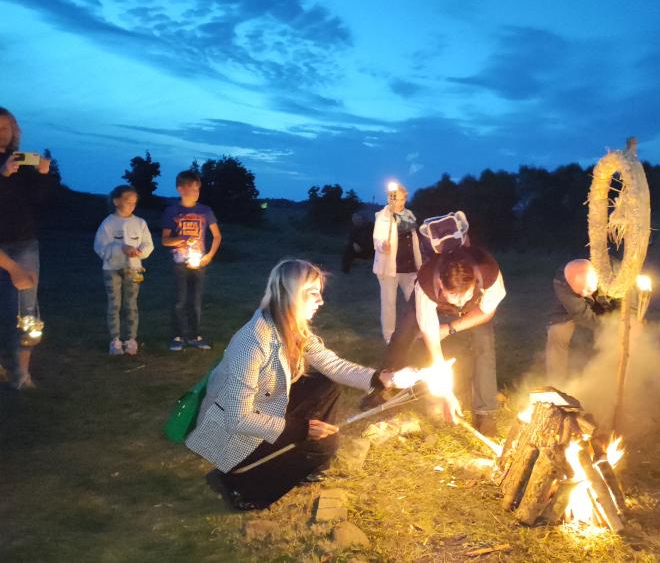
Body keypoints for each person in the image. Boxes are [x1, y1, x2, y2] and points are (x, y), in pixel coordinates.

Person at [185, 259, 408, 510]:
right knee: (324, 446)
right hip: (230, 431)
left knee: (326, 385)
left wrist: (379, 378)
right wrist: (300, 429)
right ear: (291, 294)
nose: (321, 301)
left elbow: (331, 364)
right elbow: (236, 418)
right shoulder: (252, 342)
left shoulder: (291, 327)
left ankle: (306, 463)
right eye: (313, 293)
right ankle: (241, 487)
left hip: (262, 407)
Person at [382, 245, 506, 435]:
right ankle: (383, 385)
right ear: (440, 282)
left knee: (484, 342)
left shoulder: (489, 272)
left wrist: (450, 328)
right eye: (453, 296)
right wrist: (446, 392)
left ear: (474, 280)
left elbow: (486, 312)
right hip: (433, 300)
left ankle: (485, 412)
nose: (458, 303)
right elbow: (434, 348)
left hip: (475, 309)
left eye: (464, 295)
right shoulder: (426, 283)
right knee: (403, 334)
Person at [0, 107, 55, 390]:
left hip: (24, 243)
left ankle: (22, 374)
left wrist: (44, 174)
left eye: (6, 128)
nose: (2, 133)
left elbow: (39, 201)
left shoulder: (21, 164)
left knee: (27, 309)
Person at [161, 170, 222, 351]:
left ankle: (195, 336)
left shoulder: (205, 211)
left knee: (195, 301)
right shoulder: (172, 211)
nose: (195, 193)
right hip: (179, 262)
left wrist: (209, 256)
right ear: (180, 189)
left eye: (197, 190)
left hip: (198, 263)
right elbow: (165, 240)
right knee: (180, 300)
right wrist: (181, 239)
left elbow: (217, 236)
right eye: (191, 190)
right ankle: (177, 336)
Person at [93, 185, 154, 356]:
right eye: (128, 202)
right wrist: (120, 248)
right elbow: (100, 247)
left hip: (134, 269)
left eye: (134, 203)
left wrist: (139, 252)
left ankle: (131, 339)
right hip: (111, 269)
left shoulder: (140, 223)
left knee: (131, 303)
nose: (131, 205)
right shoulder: (108, 223)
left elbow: (148, 243)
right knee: (114, 304)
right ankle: (115, 340)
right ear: (116, 201)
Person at [545, 259, 618, 384]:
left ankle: (613, 377)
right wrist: (606, 329)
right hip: (571, 308)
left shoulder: (615, 272)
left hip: (609, 302)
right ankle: (556, 384)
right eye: (579, 292)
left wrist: (621, 324)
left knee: (619, 335)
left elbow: (629, 300)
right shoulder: (562, 282)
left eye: (588, 290)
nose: (584, 294)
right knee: (557, 332)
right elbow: (582, 315)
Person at [372, 183, 422, 343]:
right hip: (389, 268)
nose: (400, 203)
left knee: (415, 300)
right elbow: (377, 239)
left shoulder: (409, 215)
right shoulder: (383, 216)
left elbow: (414, 239)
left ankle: (418, 331)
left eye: (402, 199)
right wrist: (382, 245)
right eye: (396, 199)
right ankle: (389, 336)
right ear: (389, 198)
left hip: (409, 267)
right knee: (389, 303)